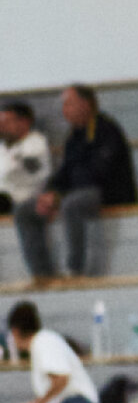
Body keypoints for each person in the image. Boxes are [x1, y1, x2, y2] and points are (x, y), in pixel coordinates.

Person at [19, 84, 138, 282]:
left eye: (69, 104)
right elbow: (65, 172)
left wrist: (60, 197)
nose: (64, 110)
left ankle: (75, 269)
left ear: (86, 104)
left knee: (72, 204)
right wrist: (50, 193)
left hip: (107, 193)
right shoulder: (73, 136)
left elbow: (99, 173)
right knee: (24, 211)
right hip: (77, 192)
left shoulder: (107, 130)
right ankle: (41, 273)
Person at [0, 100, 54, 284]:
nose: (2, 126)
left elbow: (29, 172)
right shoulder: (3, 147)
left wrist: (15, 162)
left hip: (25, 198)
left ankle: (42, 274)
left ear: (24, 122)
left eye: (7, 121)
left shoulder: (36, 143)